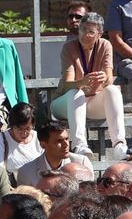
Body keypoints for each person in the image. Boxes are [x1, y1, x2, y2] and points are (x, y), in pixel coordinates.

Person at [53, 11, 126, 157]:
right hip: (65, 102)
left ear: (99, 34)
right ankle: (80, 145)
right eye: (82, 29)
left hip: (92, 102)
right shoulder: (69, 47)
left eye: (91, 31)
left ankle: (119, 144)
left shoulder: (105, 45)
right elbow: (67, 85)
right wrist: (82, 82)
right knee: (76, 92)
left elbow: (109, 79)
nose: (85, 34)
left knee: (112, 90)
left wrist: (104, 78)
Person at [14, 121, 89, 187]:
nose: (66, 144)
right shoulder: (27, 172)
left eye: (66, 139)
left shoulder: (81, 163)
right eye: (59, 141)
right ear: (43, 145)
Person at [0, 101, 40, 175]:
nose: (24, 133)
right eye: (19, 128)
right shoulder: (0, 140)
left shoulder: (38, 137)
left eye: (28, 128)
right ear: (12, 126)